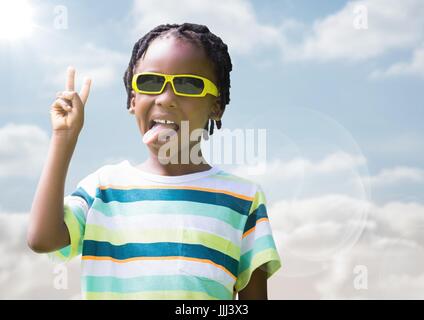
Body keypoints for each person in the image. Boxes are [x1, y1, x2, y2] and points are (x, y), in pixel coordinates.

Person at [27, 22, 281, 300]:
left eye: (188, 84)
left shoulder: (244, 199)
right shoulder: (103, 188)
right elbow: (43, 239)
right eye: (150, 82)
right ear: (132, 100)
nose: (166, 98)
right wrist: (63, 137)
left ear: (216, 106)